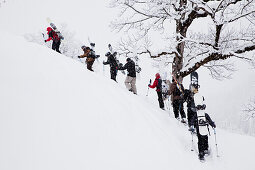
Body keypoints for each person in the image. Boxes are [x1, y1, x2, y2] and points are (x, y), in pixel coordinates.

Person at [190, 94, 216, 161]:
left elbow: (192, 121)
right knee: (204, 138)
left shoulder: (197, 114)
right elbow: (209, 120)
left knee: (201, 139)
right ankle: (203, 150)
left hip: (200, 128)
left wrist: (192, 126)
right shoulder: (205, 114)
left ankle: (203, 150)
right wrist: (213, 125)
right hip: (204, 128)